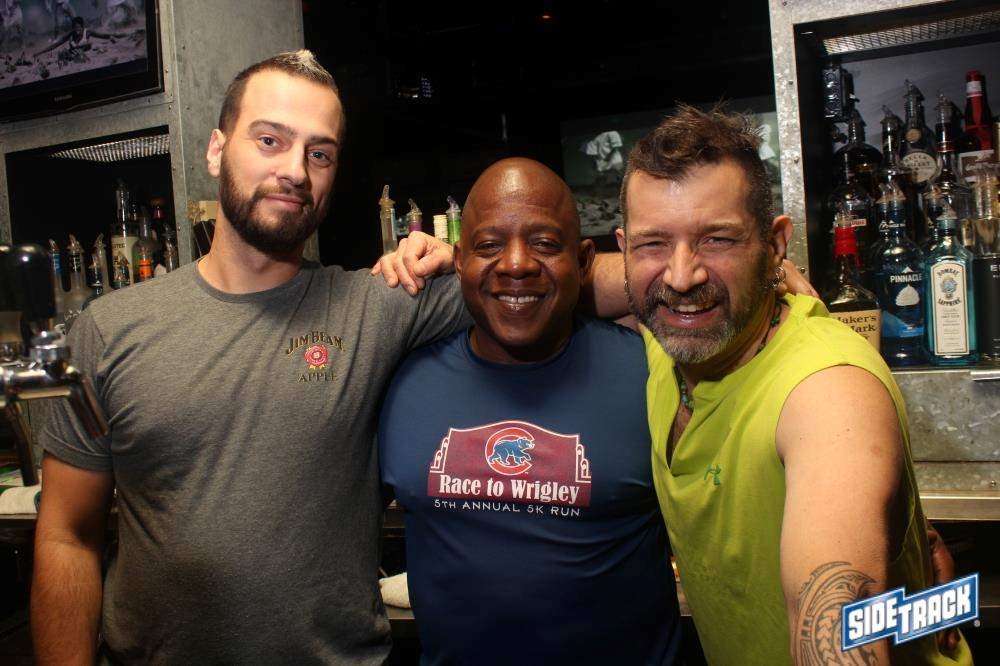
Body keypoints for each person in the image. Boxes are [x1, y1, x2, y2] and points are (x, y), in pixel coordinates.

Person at [31, 50, 466, 664]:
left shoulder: (379, 305)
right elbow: (66, 535)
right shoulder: (109, 330)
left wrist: (462, 256)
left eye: (319, 154)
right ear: (216, 150)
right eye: (269, 140)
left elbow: (557, 284)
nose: (295, 171)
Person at [615, 104, 971, 664]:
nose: (682, 277)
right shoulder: (673, 341)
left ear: (776, 243)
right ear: (624, 249)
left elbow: (838, 627)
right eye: (653, 244)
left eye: (718, 240)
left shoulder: (828, 388)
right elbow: (555, 279)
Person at [378, 158, 682, 664]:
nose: (516, 264)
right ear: (459, 261)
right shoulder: (401, 379)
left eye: (544, 243)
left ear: (583, 260)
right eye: (489, 246)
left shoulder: (651, 375)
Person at [34, 16, 123, 63]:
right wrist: (39, 53)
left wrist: (118, 36)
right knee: (63, 54)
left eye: (78, 27)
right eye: (75, 28)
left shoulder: (87, 32)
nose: (77, 30)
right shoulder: (71, 34)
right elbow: (55, 45)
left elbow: (103, 36)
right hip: (72, 55)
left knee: (89, 45)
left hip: (83, 52)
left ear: (82, 26)